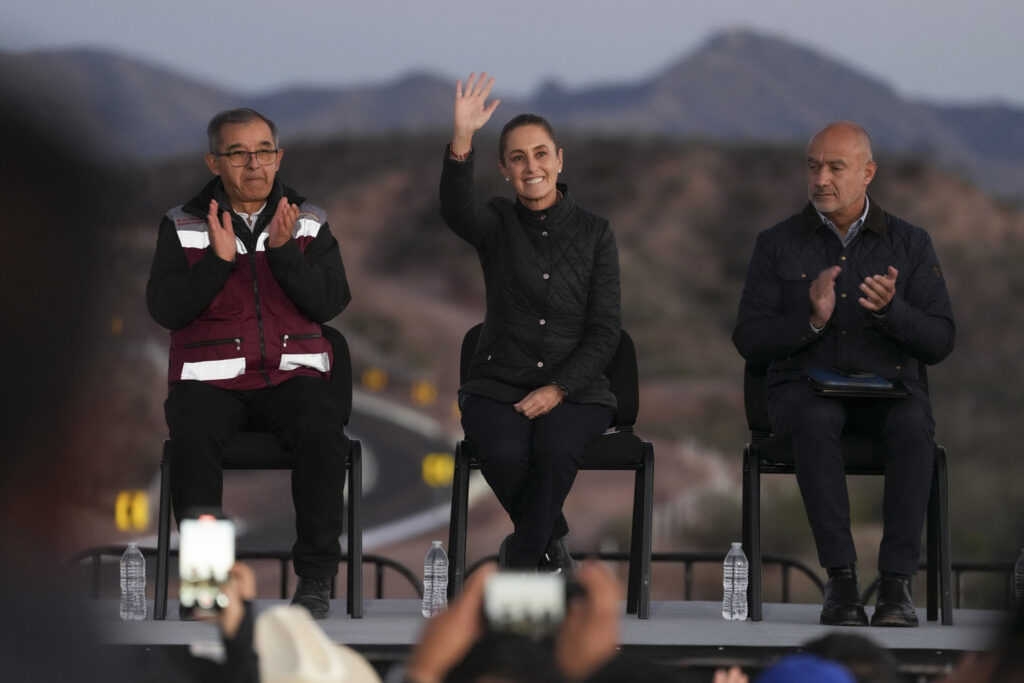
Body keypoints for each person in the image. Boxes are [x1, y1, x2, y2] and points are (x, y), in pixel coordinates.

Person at [733, 121, 955, 627]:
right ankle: (841, 581)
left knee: (915, 420)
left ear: (868, 173)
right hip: (802, 390)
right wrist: (811, 320)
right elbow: (749, 338)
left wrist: (892, 311)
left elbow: (940, 340)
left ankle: (896, 586)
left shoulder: (911, 243)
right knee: (817, 418)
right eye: (813, 167)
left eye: (836, 167)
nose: (821, 179)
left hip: (888, 392)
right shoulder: (776, 243)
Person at [147, 107, 352, 619]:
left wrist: (284, 254)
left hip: (291, 377)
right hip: (210, 384)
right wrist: (217, 263)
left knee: (322, 427)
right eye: (238, 153)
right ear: (213, 162)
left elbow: (331, 302)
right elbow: (165, 309)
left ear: (279, 157)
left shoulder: (308, 221)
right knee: (192, 435)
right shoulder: (182, 224)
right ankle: (207, 584)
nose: (253, 164)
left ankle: (315, 580)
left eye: (263, 152)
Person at [440, 73, 621, 572]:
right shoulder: (495, 223)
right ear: (504, 169)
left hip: (577, 390)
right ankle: (550, 545)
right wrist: (462, 138)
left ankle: (521, 563)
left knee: (556, 447)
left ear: (560, 159)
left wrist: (559, 388)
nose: (531, 166)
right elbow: (456, 210)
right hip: (497, 384)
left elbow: (605, 329)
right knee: (501, 451)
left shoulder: (596, 233)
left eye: (541, 154)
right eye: (518, 158)